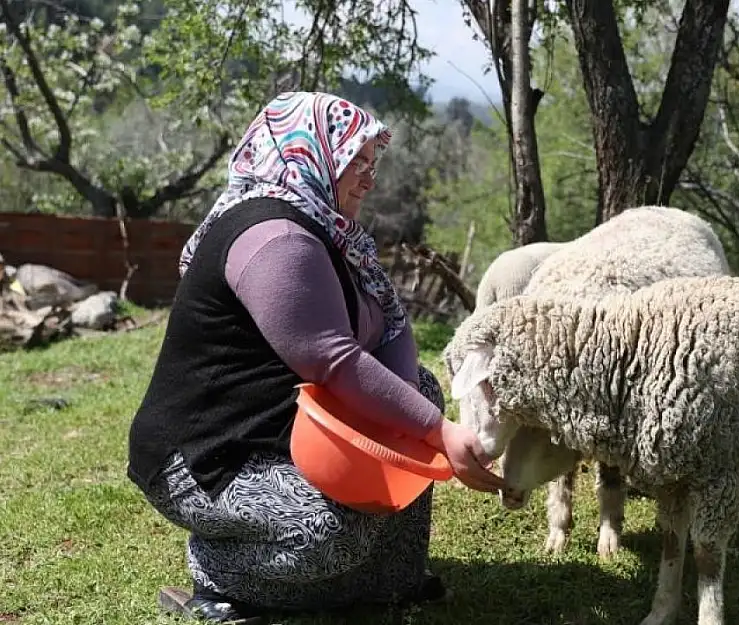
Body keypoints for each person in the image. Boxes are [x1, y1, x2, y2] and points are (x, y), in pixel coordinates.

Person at [126, 91, 504, 624]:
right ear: (310, 153)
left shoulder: (330, 232)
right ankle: (216, 567)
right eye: (357, 160)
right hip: (207, 456)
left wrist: (400, 429)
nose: (369, 178)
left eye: (373, 163)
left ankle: (389, 579)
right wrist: (437, 433)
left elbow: (391, 326)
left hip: (276, 429)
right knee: (330, 536)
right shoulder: (275, 237)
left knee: (415, 389)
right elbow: (329, 359)